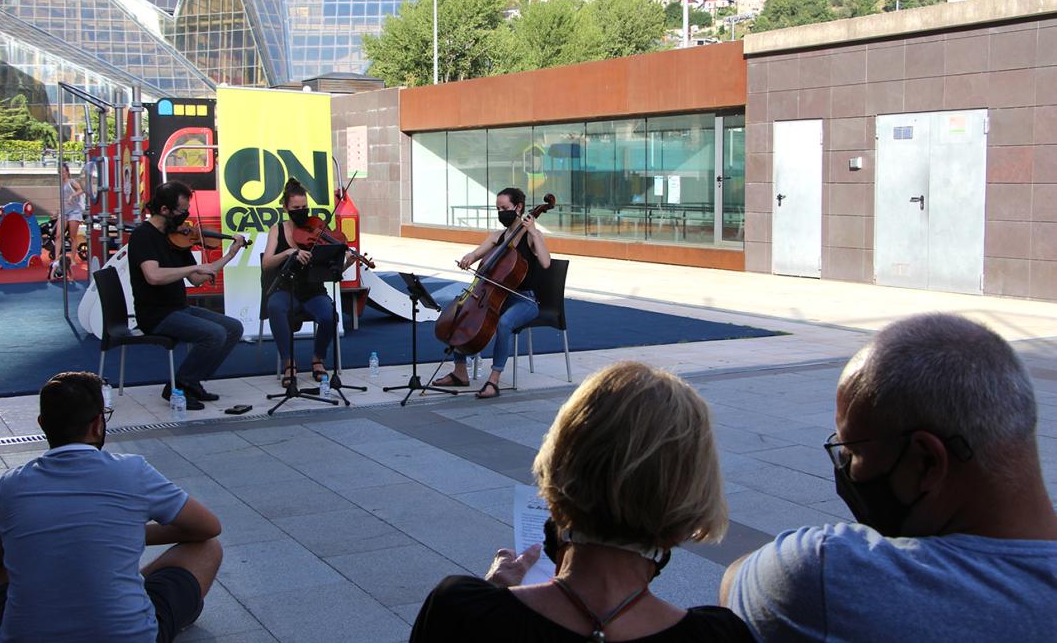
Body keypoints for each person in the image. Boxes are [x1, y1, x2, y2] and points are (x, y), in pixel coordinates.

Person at [721, 313, 1057, 642]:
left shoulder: (825, 577)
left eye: (852, 450)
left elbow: (737, 582)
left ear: (926, 463)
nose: (845, 464)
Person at [411, 361, 753, 642]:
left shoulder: (462, 612)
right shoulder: (721, 635)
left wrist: (489, 598)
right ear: (691, 488)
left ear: (560, 461)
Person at [0, 371, 223, 642]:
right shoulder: (132, 471)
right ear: (97, 424)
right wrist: (127, 529)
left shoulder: (12, 485)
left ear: (42, 424)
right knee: (207, 548)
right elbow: (209, 527)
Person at [128, 180, 246, 410]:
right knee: (214, 334)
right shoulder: (144, 236)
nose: (186, 216)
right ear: (165, 210)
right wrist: (191, 268)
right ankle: (178, 386)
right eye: (182, 211)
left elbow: (198, 278)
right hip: (155, 314)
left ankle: (192, 381)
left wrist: (230, 255)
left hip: (178, 308)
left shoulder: (175, 236)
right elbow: (153, 275)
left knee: (233, 328)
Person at [433, 187, 551, 399]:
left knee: (504, 323)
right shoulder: (498, 237)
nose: (501, 212)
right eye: (498, 208)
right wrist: (468, 258)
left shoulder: (531, 236)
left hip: (525, 300)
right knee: (461, 312)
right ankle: (460, 373)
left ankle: (494, 381)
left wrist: (533, 231)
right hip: (496, 296)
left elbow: (546, 262)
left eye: (505, 208)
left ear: (518, 207)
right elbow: (476, 253)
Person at [260, 178, 353, 386]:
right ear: (285, 208)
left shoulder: (317, 229)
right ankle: (288, 363)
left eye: (304, 207)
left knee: (329, 315)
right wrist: (288, 253)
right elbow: (266, 264)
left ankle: (318, 360)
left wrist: (346, 263)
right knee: (275, 307)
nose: (301, 211)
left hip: (313, 290)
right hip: (286, 289)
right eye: (296, 208)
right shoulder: (277, 230)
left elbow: (332, 272)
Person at [54, 162, 85, 270]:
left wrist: (72, 195)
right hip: (64, 211)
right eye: (60, 172)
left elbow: (81, 190)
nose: (61, 174)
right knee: (58, 235)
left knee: (72, 236)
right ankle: (56, 258)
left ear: (67, 172)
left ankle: (72, 258)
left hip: (74, 211)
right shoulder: (61, 184)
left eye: (63, 171)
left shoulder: (71, 182)